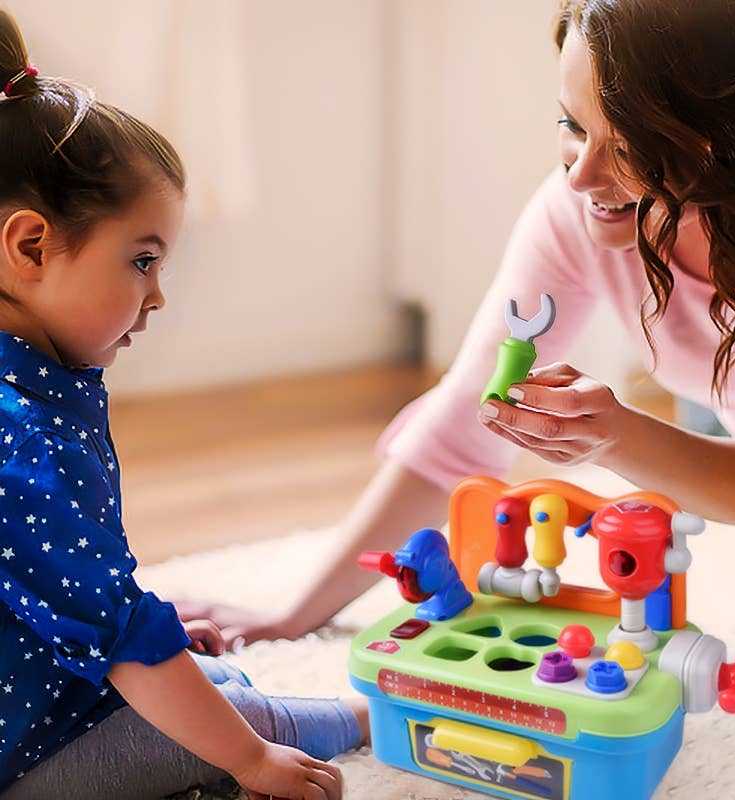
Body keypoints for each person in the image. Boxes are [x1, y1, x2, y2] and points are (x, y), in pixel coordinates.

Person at [178, 0, 735, 649]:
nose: (580, 175)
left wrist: (615, 436)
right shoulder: (576, 211)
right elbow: (464, 424)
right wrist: (292, 617)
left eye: (630, 146)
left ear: (729, 136)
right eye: (572, 125)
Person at [0, 11, 366, 800]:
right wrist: (251, 764)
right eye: (141, 261)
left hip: (38, 692)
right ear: (30, 247)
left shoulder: (30, 384)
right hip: (20, 761)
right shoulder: (26, 440)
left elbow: (71, 584)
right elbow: (125, 637)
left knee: (196, 679)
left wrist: (140, 637)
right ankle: (361, 716)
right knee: (238, 723)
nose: (157, 296)